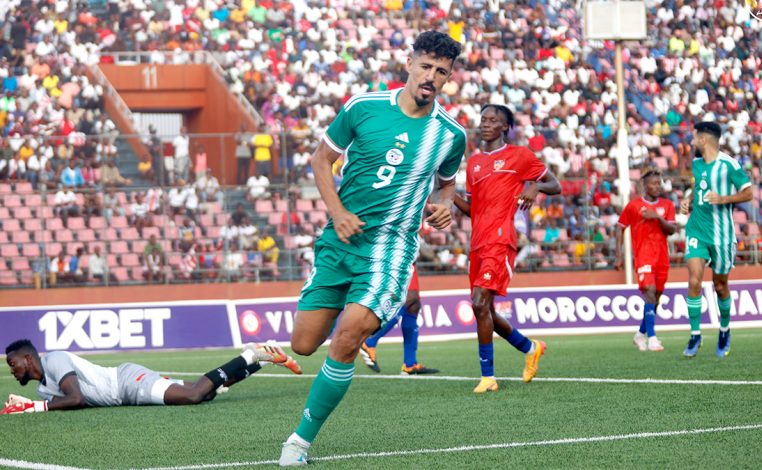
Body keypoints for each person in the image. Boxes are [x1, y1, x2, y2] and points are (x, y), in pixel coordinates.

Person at [278, 31, 466, 466]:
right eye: (426, 67)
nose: (431, 77)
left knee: (347, 337)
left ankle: (299, 442)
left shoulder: (450, 135)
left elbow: (446, 184)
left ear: (449, 77)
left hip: (391, 246)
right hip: (339, 239)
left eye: (442, 72)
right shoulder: (362, 106)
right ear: (410, 63)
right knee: (305, 344)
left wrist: (442, 209)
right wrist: (338, 211)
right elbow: (321, 159)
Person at [453, 104, 561, 394]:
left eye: (493, 120)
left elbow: (555, 184)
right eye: (483, 119)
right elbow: (472, 209)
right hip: (478, 241)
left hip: (501, 239)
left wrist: (535, 188)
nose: (486, 124)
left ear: (505, 127)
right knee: (483, 309)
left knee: (479, 302)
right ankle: (530, 347)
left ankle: (488, 377)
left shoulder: (520, 156)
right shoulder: (474, 162)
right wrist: (447, 195)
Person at [1, 339, 301, 414]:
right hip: (127, 388)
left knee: (194, 395)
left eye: (13, 363)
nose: (12, 370)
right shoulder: (42, 390)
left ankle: (249, 353)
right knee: (208, 392)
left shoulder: (54, 359)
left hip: (128, 383)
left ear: (29, 358)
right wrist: (32, 402)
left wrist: (32, 408)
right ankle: (257, 362)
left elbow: (76, 398)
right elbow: (65, 403)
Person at [680, 121, 753, 358]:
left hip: (722, 236)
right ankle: (695, 335)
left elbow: (748, 192)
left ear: (704, 139)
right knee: (694, 281)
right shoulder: (697, 164)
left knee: (720, 286)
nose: (692, 142)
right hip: (696, 231)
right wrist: (688, 200)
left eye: (694, 138)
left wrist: (723, 199)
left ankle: (724, 329)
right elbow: (697, 188)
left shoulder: (729, 165)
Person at [615, 168, 677, 352]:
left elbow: (672, 230)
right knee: (649, 292)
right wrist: (619, 255)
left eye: (659, 183)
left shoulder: (667, 205)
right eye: (654, 183)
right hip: (643, 256)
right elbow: (620, 228)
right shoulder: (633, 206)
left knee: (656, 298)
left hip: (662, 258)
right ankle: (652, 339)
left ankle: (640, 334)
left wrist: (657, 217)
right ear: (644, 186)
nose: (658, 187)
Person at [359, 263, 439, 374]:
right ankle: (369, 342)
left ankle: (410, 364)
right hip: (402, 254)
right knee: (409, 297)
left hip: (411, 257)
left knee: (414, 306)